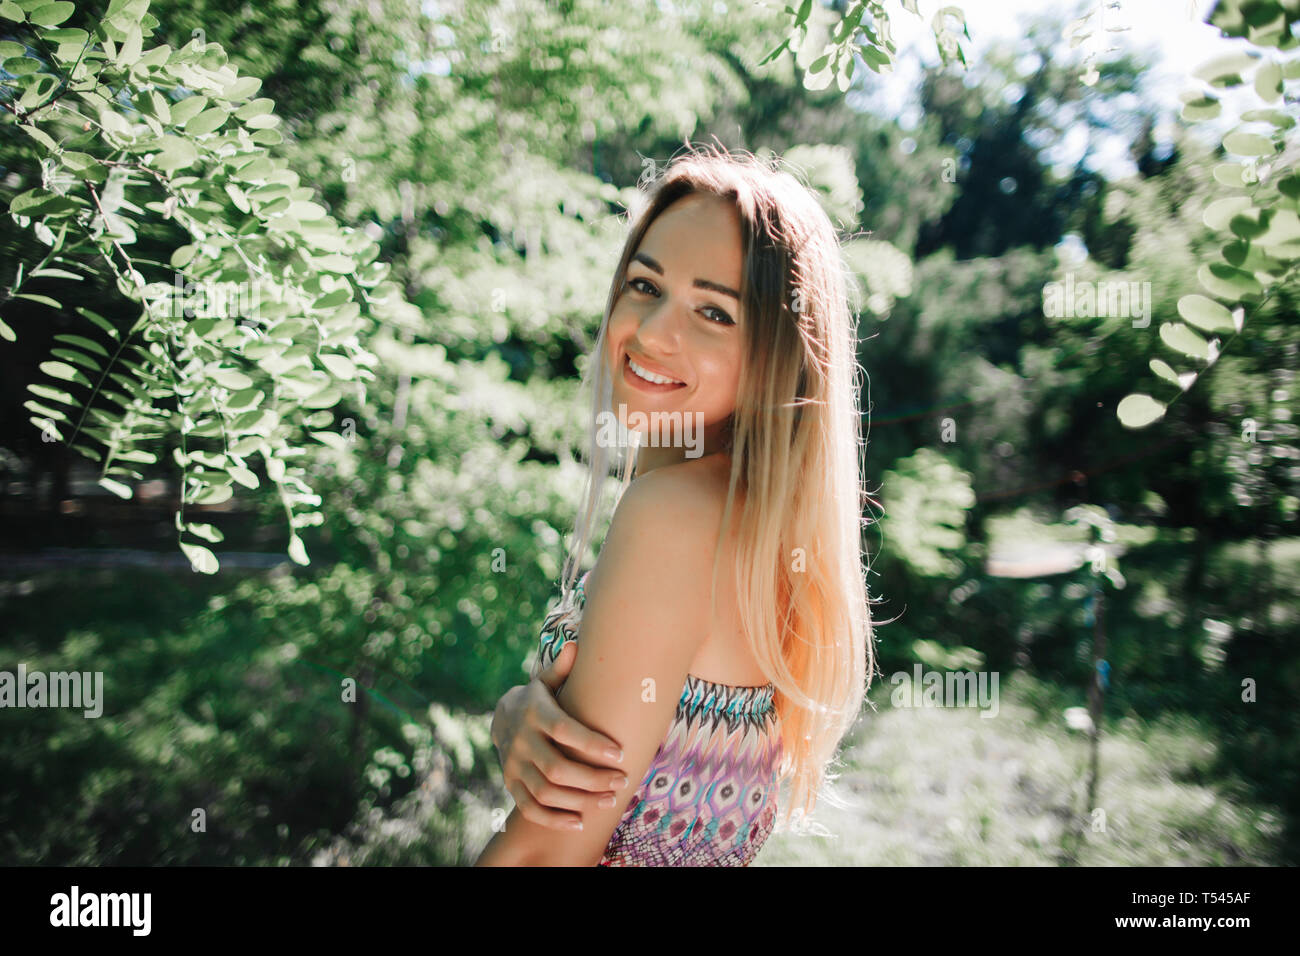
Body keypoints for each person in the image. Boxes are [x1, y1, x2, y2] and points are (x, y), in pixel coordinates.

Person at [474, 143, 875, 866]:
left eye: (714, 313)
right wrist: (513, 714)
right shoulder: (747, 520)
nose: (655, 333)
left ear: (776, 354)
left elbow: (543, 857)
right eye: (645, 285)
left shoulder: (678, 514)